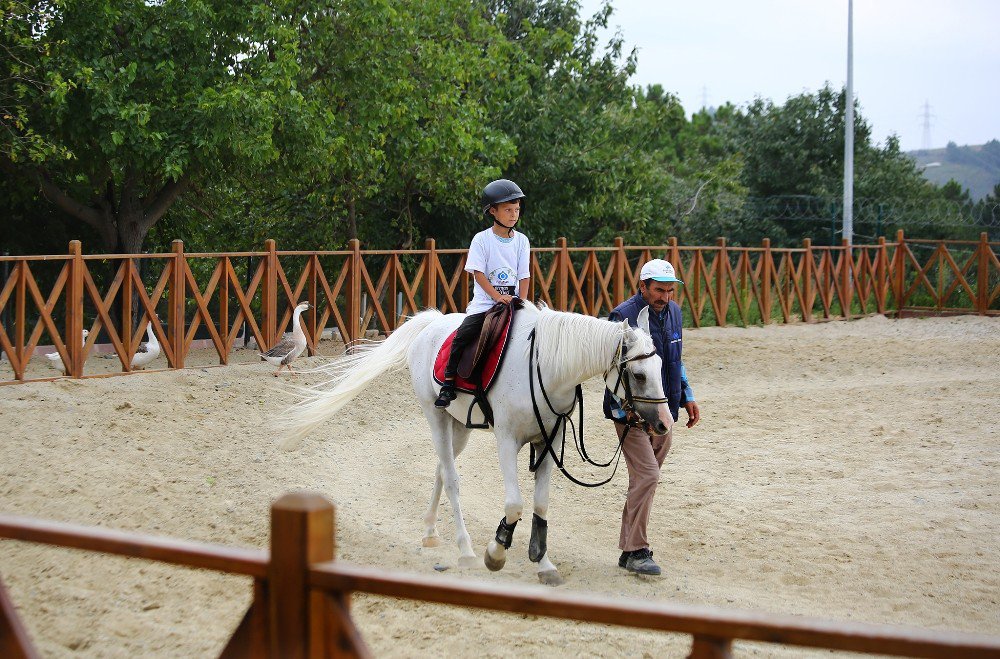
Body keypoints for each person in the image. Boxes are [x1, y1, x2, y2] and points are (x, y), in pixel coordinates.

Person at [603, 258, 701, 575]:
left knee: (644, 481)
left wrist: (687, 397)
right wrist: (626, 409)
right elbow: (610, 371)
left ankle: (628, 549)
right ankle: (637, 550)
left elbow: (676, 361)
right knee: (648, 477)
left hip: (664, 410)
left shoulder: (674, 313)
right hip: (629, 414)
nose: (665, 296)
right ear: (642, 286)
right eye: (659, 290)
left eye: (670, 290)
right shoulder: (622, 317)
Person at [435, 179, 530, 408]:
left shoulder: (522, 241)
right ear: (493, 211)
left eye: (516, 210)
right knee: (462, 336)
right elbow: (478, 274)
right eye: (508, 210)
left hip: (514, 303)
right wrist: (497, 297)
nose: (513, 215)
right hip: (485, 305)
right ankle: (448, 383)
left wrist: (522, 301)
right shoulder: (482, 239)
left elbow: (524, 276)